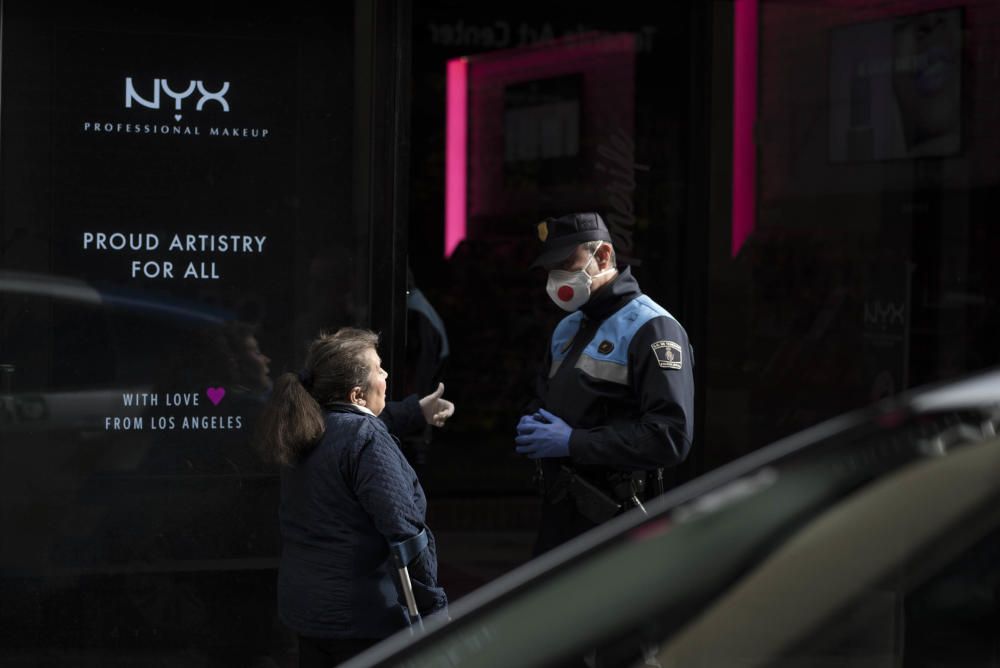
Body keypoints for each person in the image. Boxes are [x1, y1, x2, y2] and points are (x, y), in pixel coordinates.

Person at [256, 328, 448, 667]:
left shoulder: (308, 425)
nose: (386, 374)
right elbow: (405, 535)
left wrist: (415, 412)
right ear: (358, 394)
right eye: (379, 368)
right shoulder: (365, 437)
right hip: (361, 618)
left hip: (308, 610)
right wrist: (434, 612)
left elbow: (355, 427)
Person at [515, 212, 695, 555]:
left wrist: (574, 442)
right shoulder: (568, 328)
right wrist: (532, 423)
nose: (558, 277)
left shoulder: (653, 327)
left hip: (616, 522)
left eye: (568, 262)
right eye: (551, 269)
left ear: (603, 256)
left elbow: (671, 436)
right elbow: (544, 399)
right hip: (560, 517)